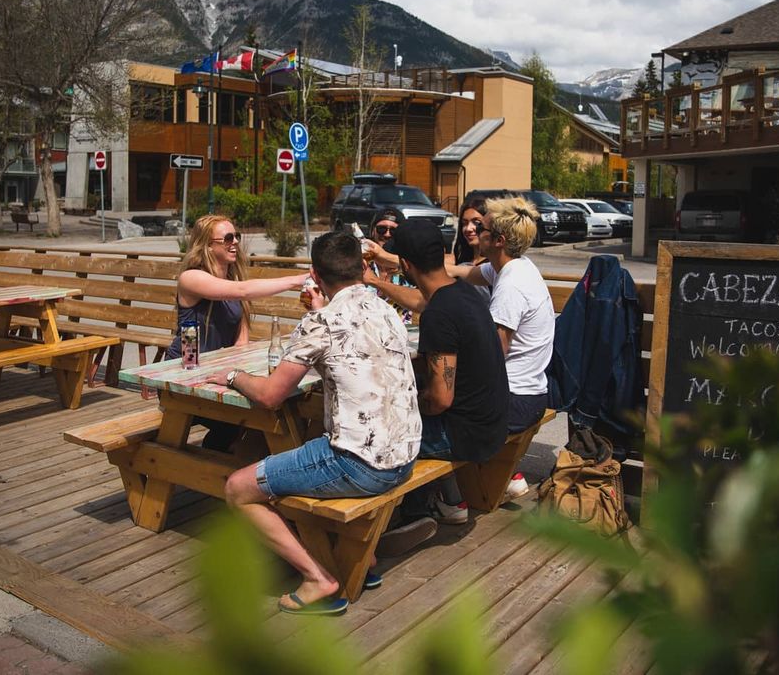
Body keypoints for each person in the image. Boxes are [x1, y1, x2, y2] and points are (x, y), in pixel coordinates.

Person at [212, 231, 421, 616]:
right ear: (362, 268)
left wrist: (231, 376)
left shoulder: (321, 322)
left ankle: (317, 578)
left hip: (361, 465)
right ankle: (363, 560)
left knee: (238, 488)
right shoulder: (387, 309)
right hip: (405, 456)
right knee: (303, 448)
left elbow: (271, 395)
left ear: (314, 274)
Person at [376, 220, 510, 550]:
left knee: (376, 433)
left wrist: (402, 405)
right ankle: (418, 509)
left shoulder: (439, 313)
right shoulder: (464, 293)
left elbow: (439, 399)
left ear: (404, 265)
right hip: (495, 423)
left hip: (468, 436)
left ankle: (383, 523)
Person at [166, 214, 309, 451]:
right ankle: (209, 469)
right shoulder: (191, 277)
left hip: (215, 371)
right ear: (208, 246)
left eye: (237, 236)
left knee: (265, 408)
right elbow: (242, 291)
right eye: (227, 238)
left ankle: (221, 466)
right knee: (246, 418)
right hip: (185, 369)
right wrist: (298, 280)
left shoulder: (233, 277)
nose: (235, 243)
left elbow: (241, 340)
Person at [451, 196, 554, 497]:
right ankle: (494, 479)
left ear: (498, 240)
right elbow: (465, 273)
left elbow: (492, 358)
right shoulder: (514, 266)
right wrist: (394, 259)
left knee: (427, 408)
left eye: (481, 228)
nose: (474, 232)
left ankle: (449, 499)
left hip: (514, 401)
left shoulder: (511, 286)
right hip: (529, 392)